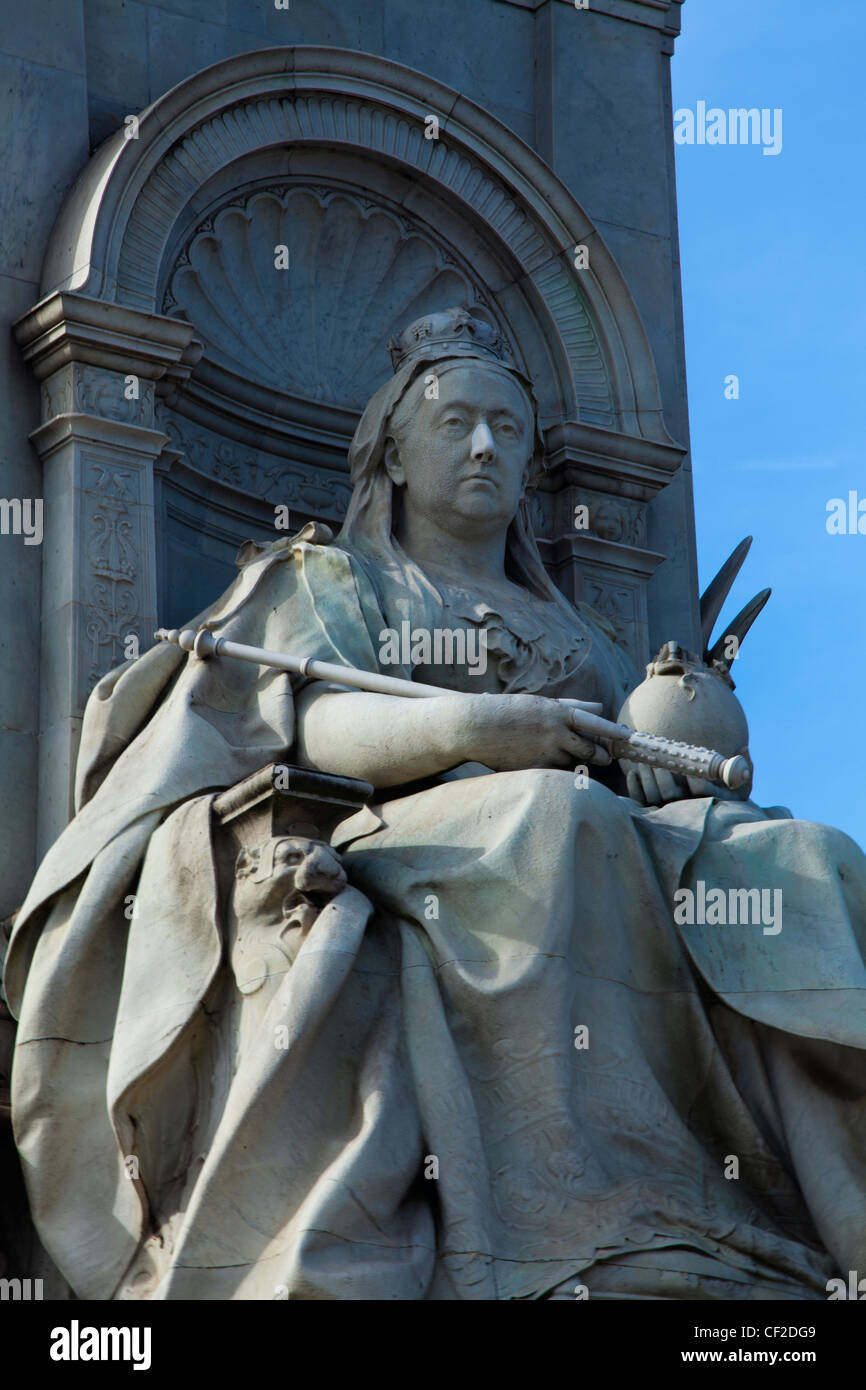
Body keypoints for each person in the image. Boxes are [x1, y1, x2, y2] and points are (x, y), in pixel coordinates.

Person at [5, 308, 866, 1301]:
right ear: (397, 456)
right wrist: (466, 731)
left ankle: (803, 1221)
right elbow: (298, 720)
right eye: (456, 423)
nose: (487, 445)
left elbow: (631, 759)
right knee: (552, 821)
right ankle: (592, 1227)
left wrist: (681, 745)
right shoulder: (337, 577)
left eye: (507, 428)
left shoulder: (575, 627)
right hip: (402, 826)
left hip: (590, 832)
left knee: (810, 859)